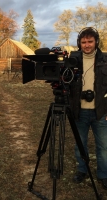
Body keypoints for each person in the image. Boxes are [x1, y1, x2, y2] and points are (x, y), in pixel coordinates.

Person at [69, 27, 107, 190]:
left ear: (96, 42)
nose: (86, 45)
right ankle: (82, 170)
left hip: (101, 111)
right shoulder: (73, 59)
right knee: (80, 144)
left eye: (90, 41)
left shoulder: (105, 59)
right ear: (79, 43)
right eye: (83, 42)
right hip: (80, 111)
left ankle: (104, 174)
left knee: (104, 146)